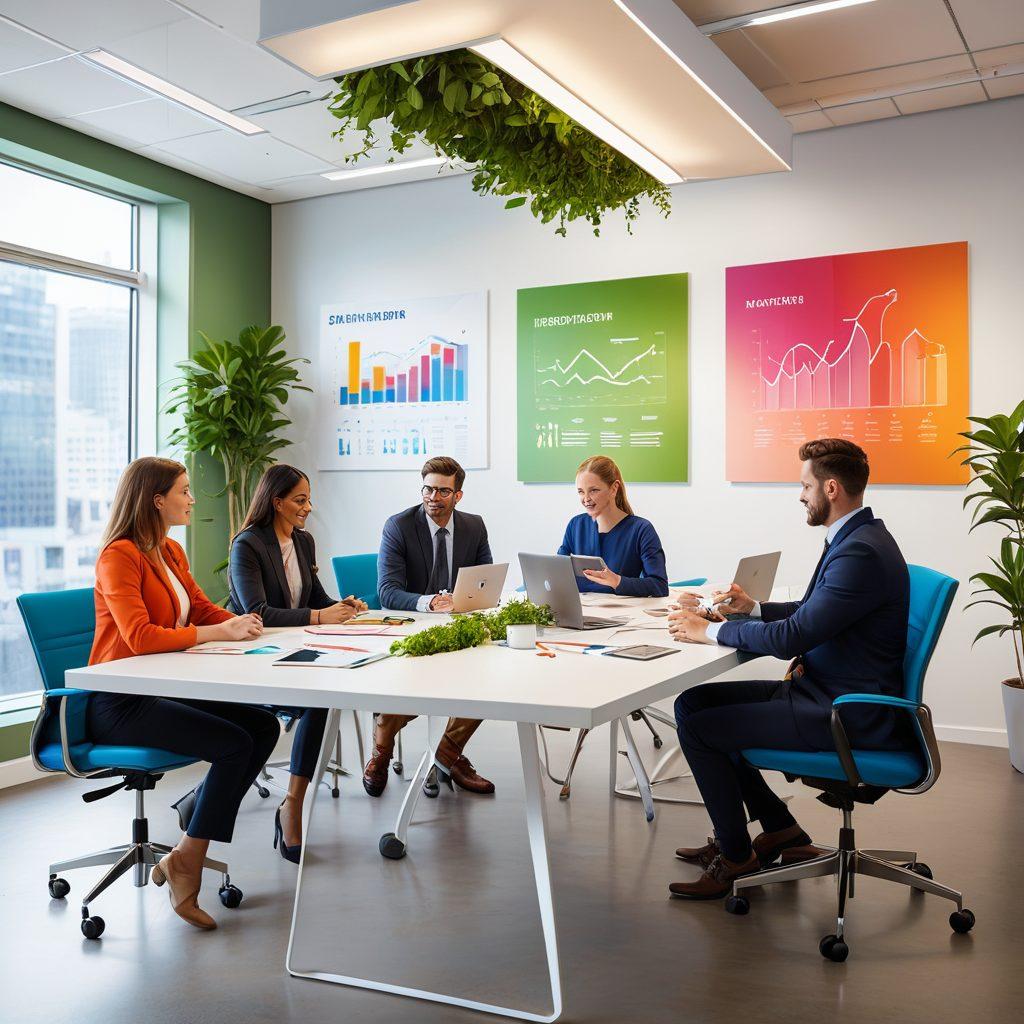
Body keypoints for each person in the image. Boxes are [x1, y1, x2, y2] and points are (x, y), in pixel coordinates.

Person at [665, 438, 910, 900]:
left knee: (701, 731)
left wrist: (710, 632)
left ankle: (736, 857)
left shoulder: (860, 552)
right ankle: (780, 829)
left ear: (831, 488)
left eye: (805, 486)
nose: (800, 495)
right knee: (693, 703)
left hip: (841, 712)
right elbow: (809, 614)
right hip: (820, 690)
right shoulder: (856, 538)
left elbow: (792, 639)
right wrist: (753, 609)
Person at [88, 457, 279, 930]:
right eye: (185, 491)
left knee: (262, 725)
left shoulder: (169, 550)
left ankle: (196, 815)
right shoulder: (118, 556)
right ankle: (188, 859)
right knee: (233, 744)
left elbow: (198, 607)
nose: (193, 499)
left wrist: (240, 623)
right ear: (157, 500)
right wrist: (217, 633)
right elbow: (139, 637)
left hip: (162, 686)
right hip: (121, 701)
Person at [226, 464, 368, 864]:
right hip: (255, 658)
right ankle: (282, 807)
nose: (308, 507)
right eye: (300, 500)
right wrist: (321, 616)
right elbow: (257, 611)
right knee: (318, 702)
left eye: (308, 499)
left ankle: (292, 802)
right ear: (277, 502)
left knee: (323, 699)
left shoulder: (303, 542)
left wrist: (343, 607)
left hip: (296, 652)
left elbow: (315, 599)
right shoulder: (247, 545)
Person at [367, 455, 495, 798]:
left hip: (456, 628)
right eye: (427, 489)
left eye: (442, 491)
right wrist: (430, 602)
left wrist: (469, 602)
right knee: (407, 686)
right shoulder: (399, 526)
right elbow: (387, 592)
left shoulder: (474, 526)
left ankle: (447, 753)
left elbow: (484, 581)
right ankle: (382, 751)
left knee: (487, 680)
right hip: (410, 627)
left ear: (458, 495)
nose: (433, 498)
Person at [557, 455, 668, 597]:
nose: (586, 499)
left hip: (622, 610)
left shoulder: (641, 529)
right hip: (581, 608)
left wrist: (617, 581)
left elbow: (659, 586)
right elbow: (557, 572)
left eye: (594, 490)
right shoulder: (575, 525)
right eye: (581, 491)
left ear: (614, 488)